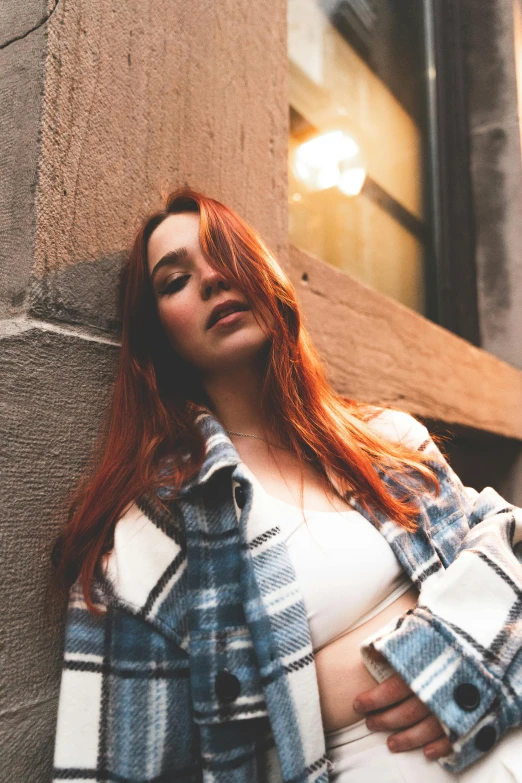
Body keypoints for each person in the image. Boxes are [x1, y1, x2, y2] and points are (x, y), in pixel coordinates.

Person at [51, 187, 522, 783]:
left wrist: (460, 640)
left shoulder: (389, 441)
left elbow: (506, 538)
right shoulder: (159, 540)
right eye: (174, 280)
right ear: (157, 335)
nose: (212, 279)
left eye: (225, 253)